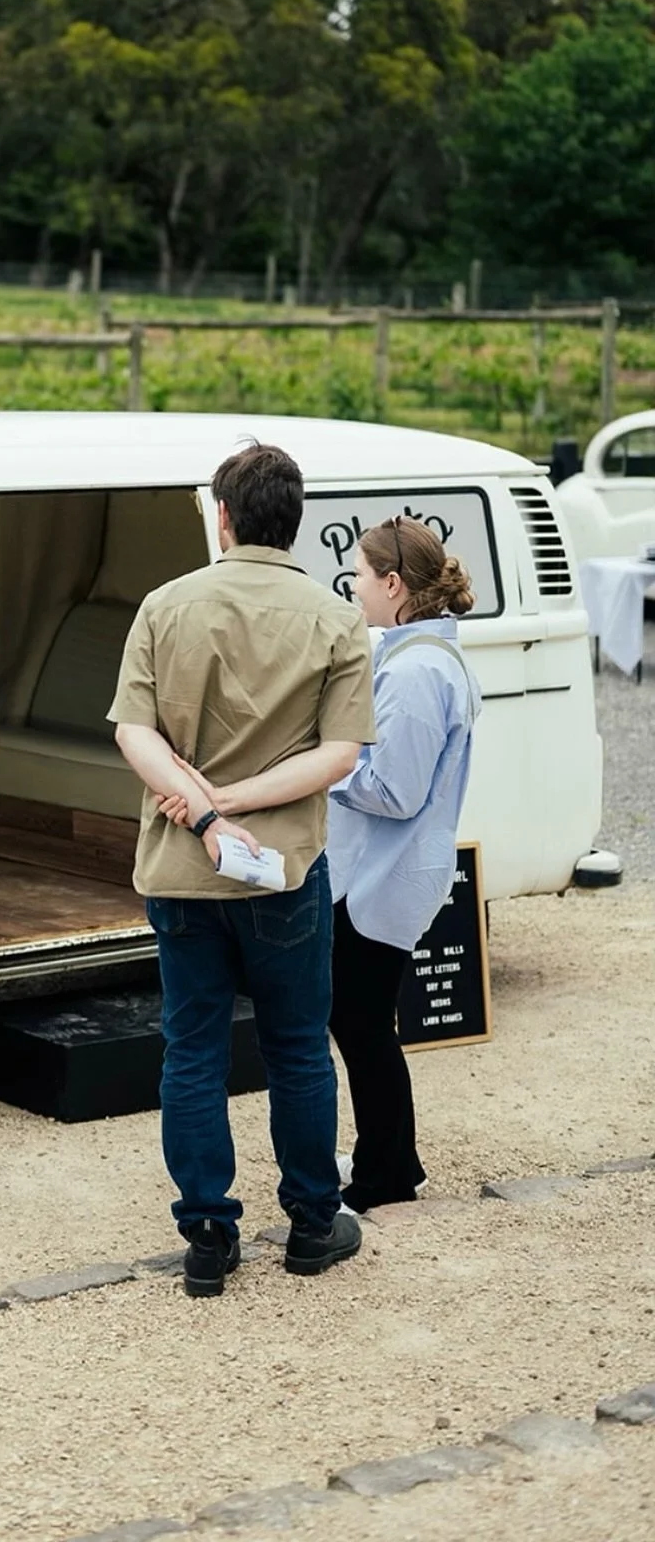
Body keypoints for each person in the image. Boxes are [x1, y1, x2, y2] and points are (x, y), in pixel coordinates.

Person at [109, 443, 375, 1296]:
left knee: (192, 1051)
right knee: (298, 1048)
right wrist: (242, 800)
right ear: (295, 519)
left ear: (222, 517)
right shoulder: (336, 619)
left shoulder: (165, 603)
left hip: (184, 866)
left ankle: (208, 1240)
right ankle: (309, 1224)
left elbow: (132, 732)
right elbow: (339, 756)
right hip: (286, 869)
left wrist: (204, 806)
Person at [324, 518, 480, 1214]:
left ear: (392, 584)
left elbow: (396, 790)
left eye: (358, 573)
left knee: (360, 1027)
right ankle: (398, 1161)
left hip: (381, 879)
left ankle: (381, 1177)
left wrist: (322, 772)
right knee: (366, 1024)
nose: (351, 585)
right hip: (386, 873)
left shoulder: (417, 670)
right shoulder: (421, 656)